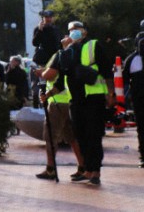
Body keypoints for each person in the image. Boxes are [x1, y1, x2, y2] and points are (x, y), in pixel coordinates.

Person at [58, 20, 116, 185]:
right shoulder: (67, 50)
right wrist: (64, 49)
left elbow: (106, 70)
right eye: (71, 30)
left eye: (77, 29)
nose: (74, 31)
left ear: (85, 31)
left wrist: (111, 93)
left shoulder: (93, 45)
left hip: (94, 96)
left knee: (94, 134)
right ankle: (87, 169)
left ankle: (95, 171)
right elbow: (64, 69)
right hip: (76, 99)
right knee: (80, 134)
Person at [35, 36, 84, 180]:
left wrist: (42, 73)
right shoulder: (76, 56)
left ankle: (50, 168)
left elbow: (51, 74)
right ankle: (82, 166)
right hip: (69, 101)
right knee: (72, 137)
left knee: (50, 135)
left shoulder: (60, 55)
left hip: (57, 101)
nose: (63, 37)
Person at [121, 31, 144, 167]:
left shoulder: (132, 58)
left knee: (141, 127)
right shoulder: (132, 59)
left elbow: (124, 78)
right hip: (138, 98)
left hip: (138, 98)